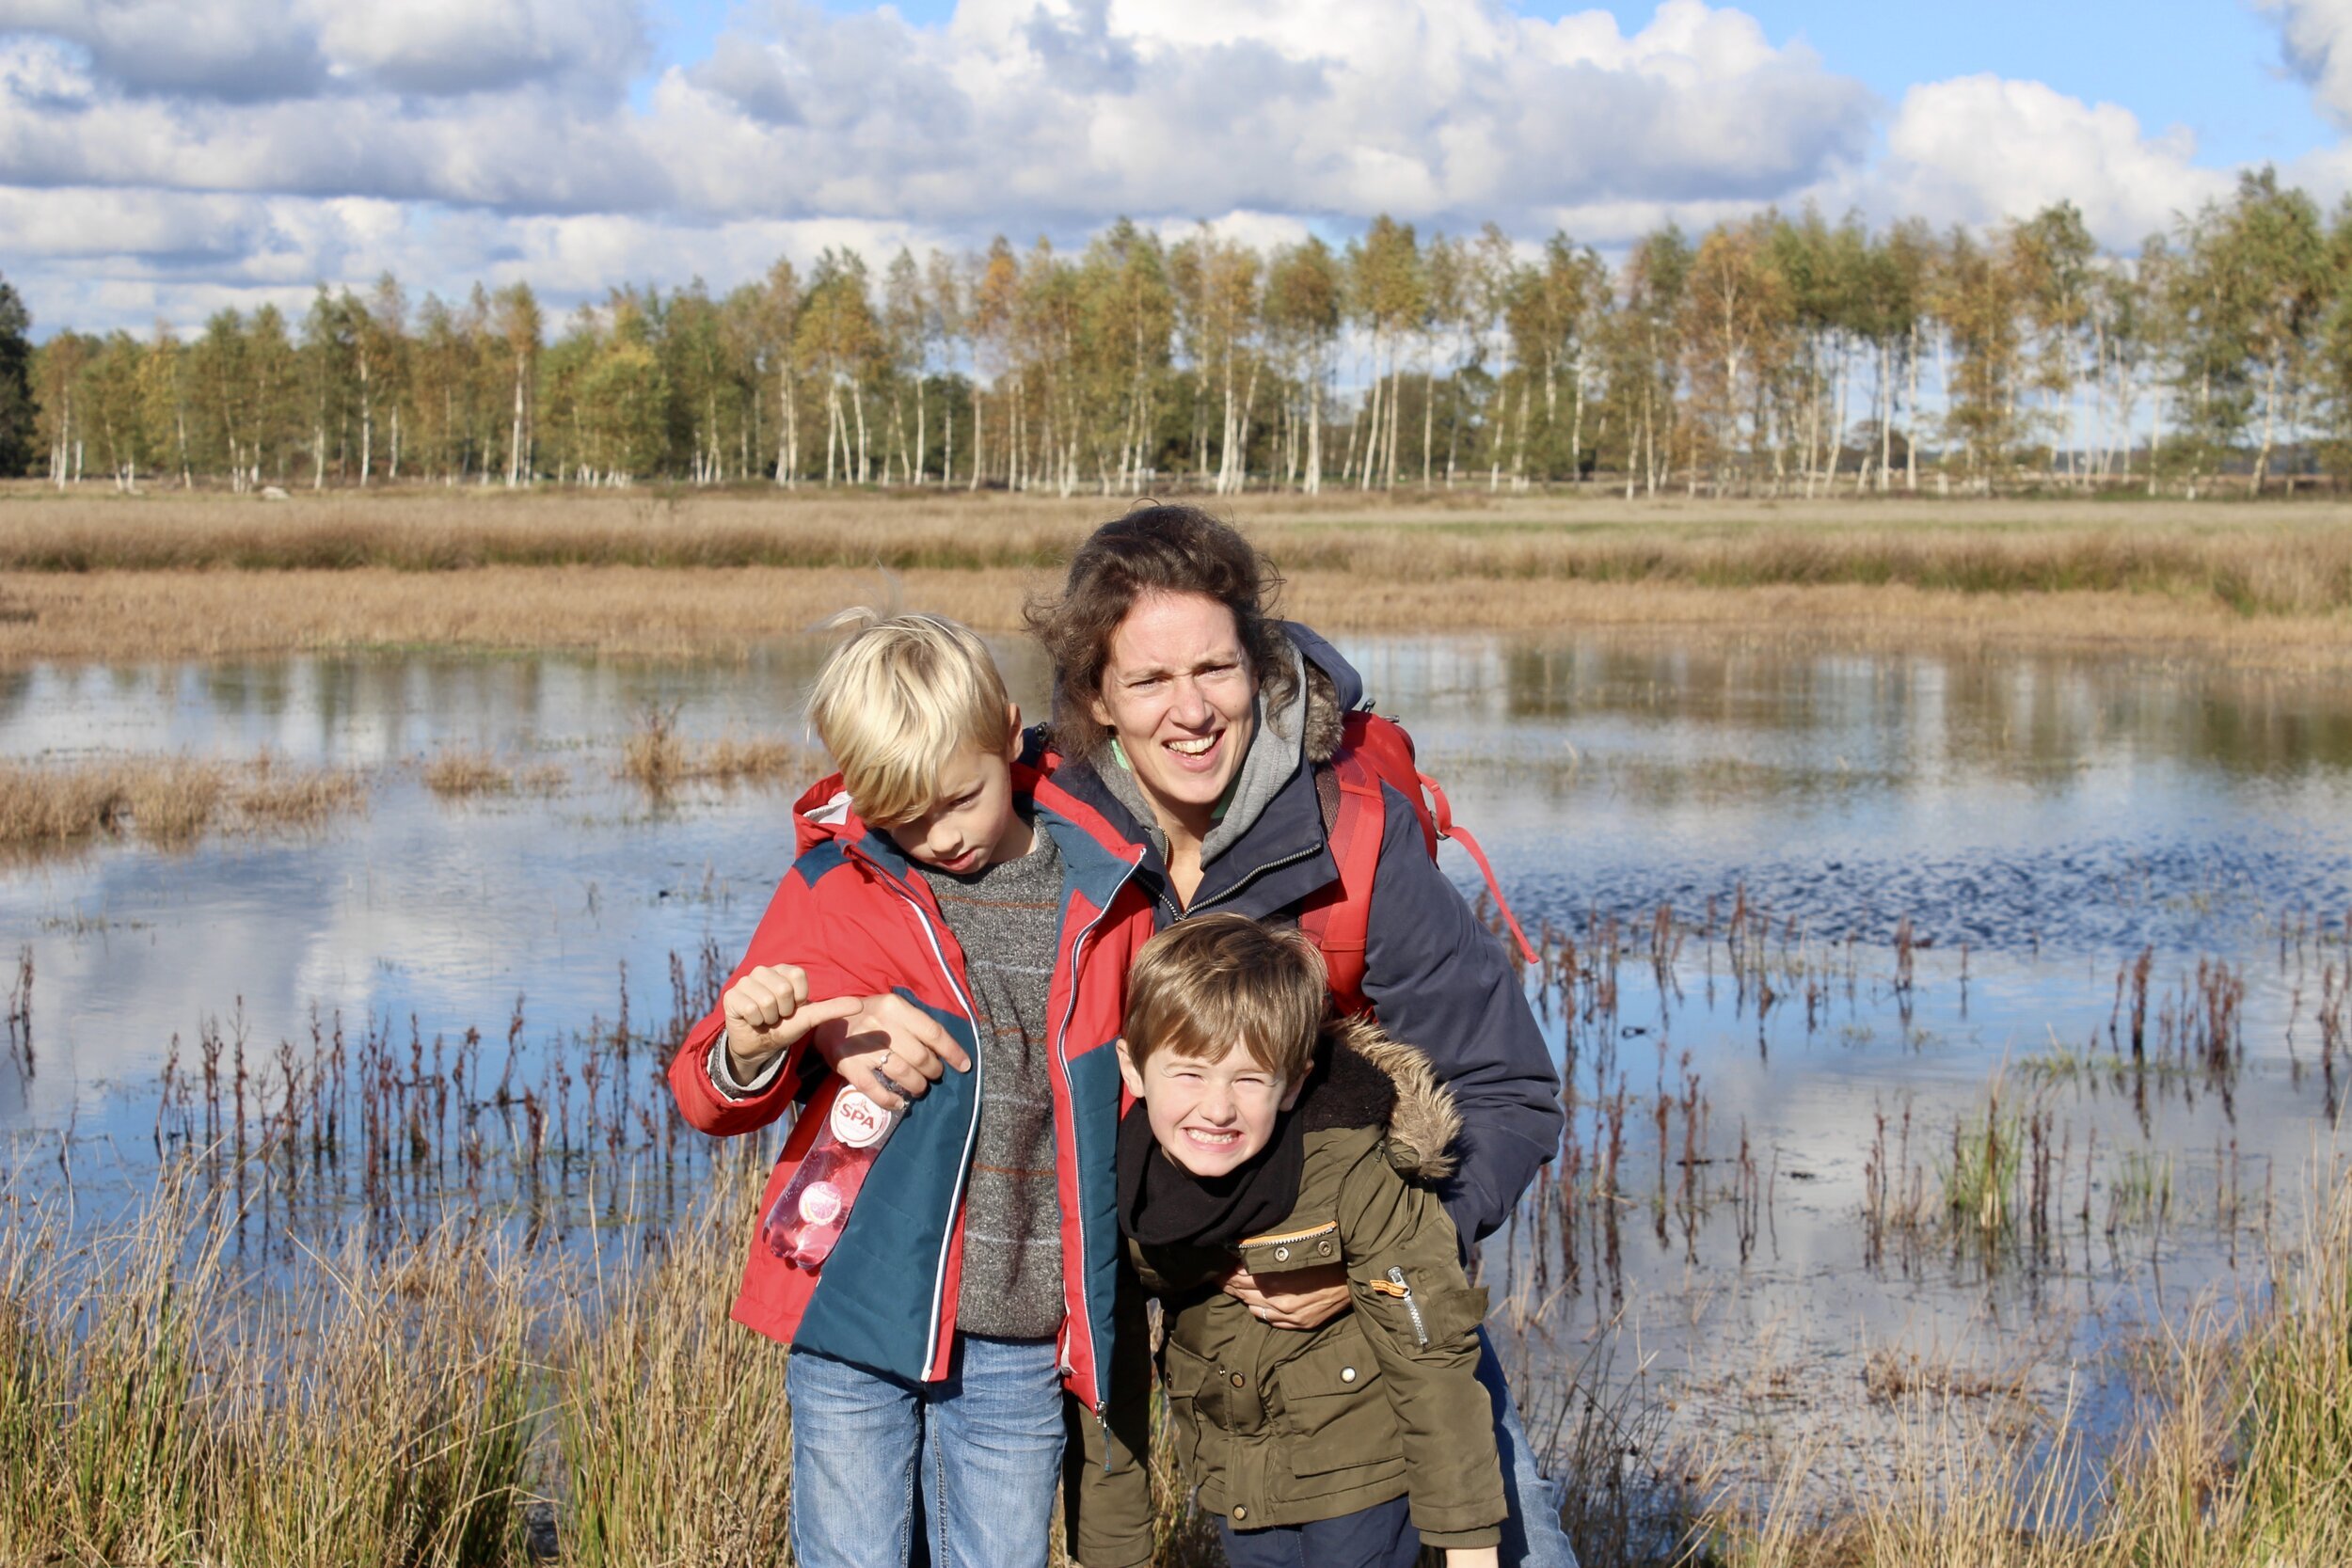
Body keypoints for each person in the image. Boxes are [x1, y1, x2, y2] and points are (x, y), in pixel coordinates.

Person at [1029, 504, 1580, 1566]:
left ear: (1260, 667)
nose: (1189, 711)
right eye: (1148, 681)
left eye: (1216, 670)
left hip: (1374, 1297)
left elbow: (1508, 1086)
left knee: (1519, 1547)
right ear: (1096, 697)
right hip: (1154, 1293)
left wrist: (1376, 1255)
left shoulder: (1355, 834)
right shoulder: (1042, 844)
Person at [666, 610, 1159, 1568]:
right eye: (902, 817)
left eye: (959, 799)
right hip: (854, 1311)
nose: (940, 836)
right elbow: (703, 1091)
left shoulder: (1111, 897)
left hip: (1022, 1337)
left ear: (1010, 733)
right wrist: (756, 1040)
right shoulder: (834, 889)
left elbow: (1140, 1098)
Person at [1094, 913, 1504, 1568]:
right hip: (1240, 1480)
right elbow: (1103, 1371)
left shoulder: (1351, 1165)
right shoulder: (1122, 1182)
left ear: (1291, 1083)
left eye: (1249, 1079)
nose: (1217, 1107)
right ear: (1134, 1069)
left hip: (1363, 1470)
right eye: (1190, 1075)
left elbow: (1431, 1349)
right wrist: (1112, 1553)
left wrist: (1470, 1546)